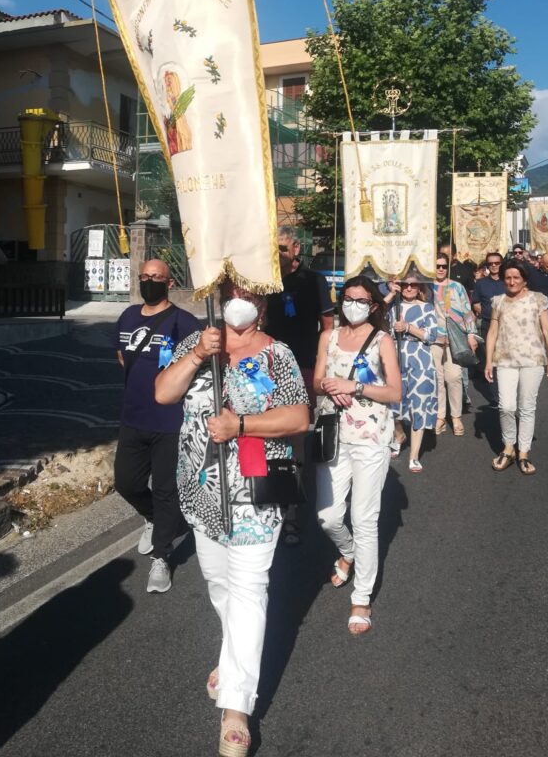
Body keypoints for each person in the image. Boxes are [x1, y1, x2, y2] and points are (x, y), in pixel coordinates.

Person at [155, 279, 309, 757]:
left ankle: (237, 707)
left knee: (248, 591)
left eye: (252, 293)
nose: (241, 301)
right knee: (219, 586)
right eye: (233, 292)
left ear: (262, 304)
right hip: (202, 496)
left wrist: (240, 425)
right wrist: (199, 353)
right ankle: (233, 653)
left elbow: (299, 417)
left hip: (256, 497)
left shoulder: (277, 354)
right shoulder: (196, 343)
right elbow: (163, 393)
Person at [313, 276, 402, 634]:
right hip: (333, 435)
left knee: (365, 519)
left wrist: (357, 386)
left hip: (370, 438)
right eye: (348, 298)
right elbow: (317, 379)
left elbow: (394, 392)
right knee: (328, 516)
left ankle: (361, 597)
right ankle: (347, 551)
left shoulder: (382, 341)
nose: (352, 305)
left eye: (361, 300)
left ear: (374, 306)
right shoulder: (328, 337)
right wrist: (329, 387)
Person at [111, 259, 200, 594]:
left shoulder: (184, 322)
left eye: (156, 278)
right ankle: (158, 519)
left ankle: (162, 556)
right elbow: (122, 356)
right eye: (144, 277)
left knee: (165, 490)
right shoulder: (128, 316)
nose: (149, 282)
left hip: (169, 422)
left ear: (170, 283)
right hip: (133, 417)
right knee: (126, 483)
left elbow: (196, 366)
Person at [264, 225, 334, 544]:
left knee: (295, 436)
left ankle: (291, 509)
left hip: (303, 365)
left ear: (295, 250)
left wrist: (321, 366)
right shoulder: (264, 281)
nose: (276, 254)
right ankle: (266, 495)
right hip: (267, 367)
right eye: (272, 248)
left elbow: (328, 327)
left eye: (281, 248)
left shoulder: (314, 281)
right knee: (264, 431)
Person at [485, 259, 548, 475]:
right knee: (506, 406)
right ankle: (508, 448)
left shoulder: (538, 299)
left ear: (524, 279)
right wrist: (489, 361)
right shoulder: (498, 301)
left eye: (516, 277)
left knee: (527, 407)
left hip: (532, 360)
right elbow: (492, 332)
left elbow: (547, 330)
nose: (511, 281)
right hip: (505, 359)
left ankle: (523, 452)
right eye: (508, 277)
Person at [387, 276, 438, 472]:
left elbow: (431, 335)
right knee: (393, 404)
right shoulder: (393, 306)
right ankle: (399, 434)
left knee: (419, 404)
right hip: (396, 358)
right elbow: (375, 312)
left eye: (413, 284)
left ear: (419, 287)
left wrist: (408, 328)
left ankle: (414, 455)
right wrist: (391, 293)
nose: (408, 288)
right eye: (404, 284)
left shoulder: (427, 308)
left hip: (420, 360)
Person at [432, 255, 479, 435]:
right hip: (434, 339)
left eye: (444, 266)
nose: (441, 269)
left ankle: (456, 417)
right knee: (437, 379)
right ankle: (440, 417)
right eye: (437, 266)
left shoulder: (457, 287)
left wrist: (472, 334)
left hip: (456, 339)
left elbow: (467, 311)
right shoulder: (426, 287)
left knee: (454, 377)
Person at [471, 252, 507, 342]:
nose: (494, 265)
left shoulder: (508, 282)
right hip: (487, 324)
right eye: (490, 263)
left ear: (502, 264)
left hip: (507, 323)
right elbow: (476, 305)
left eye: (497, 263)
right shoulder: (480, 283)